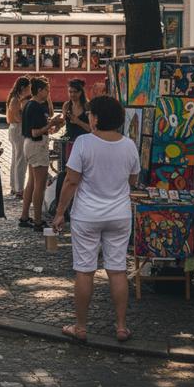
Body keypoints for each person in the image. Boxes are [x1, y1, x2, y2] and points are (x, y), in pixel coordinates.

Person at [52, 95, 139, 342]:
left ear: (97, 117)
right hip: (119, 215)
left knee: (85, 271)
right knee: (118, 270)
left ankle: (80, 327)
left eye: (90, 113)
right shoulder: (129, 145)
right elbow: (132, 180)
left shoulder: (84, 143)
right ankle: (121, 326)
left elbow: (70, 181)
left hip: (87, 215)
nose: (88, 117)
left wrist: (60, 213)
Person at [20, 77, 64, 231]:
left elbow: (46, 130)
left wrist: (55, 126)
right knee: (40, 185)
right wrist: (51, 123)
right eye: (46, 90)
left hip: (32, 145)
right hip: (36, 145)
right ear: (39, 90)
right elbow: (36, 131)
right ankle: (38, 220)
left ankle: (25, 216)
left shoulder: (29, 105)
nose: (48, 93)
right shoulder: (36, 106)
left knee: (31, 182)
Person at [6, 77, 31, 199]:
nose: (29, 90)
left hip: (14, 129)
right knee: (20, 160)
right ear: (23, 88)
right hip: (18, 129)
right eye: (28, 88)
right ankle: (19, 188)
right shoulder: (15, 99)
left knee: (16, 159)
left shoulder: (15, 98)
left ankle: (14, 186)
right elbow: (17, 117)